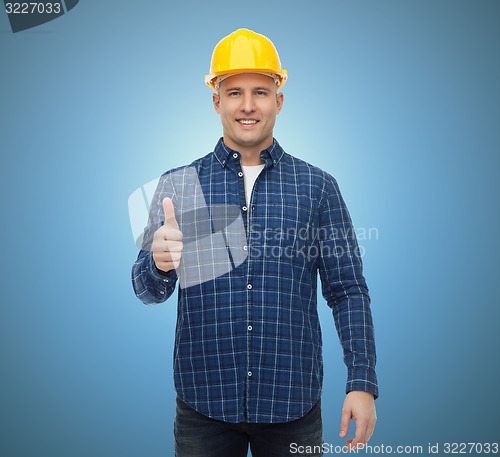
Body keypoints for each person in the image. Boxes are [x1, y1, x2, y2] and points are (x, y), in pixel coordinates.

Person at [132, 28, 378, 457]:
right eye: (234, 93)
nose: (248, 105)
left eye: (260, 92)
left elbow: (347, 291)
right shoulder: (179, 186)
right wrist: (159, 264)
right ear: (216, 101)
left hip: (292, 406)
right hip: (203, 405)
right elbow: (147, 291)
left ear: (279, 100)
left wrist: (362, 382)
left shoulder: (317, 187)